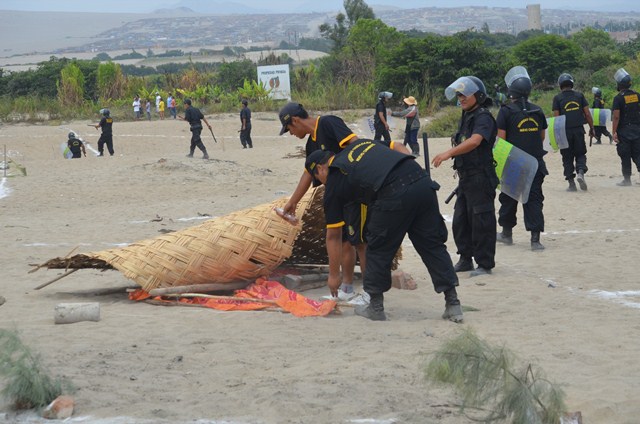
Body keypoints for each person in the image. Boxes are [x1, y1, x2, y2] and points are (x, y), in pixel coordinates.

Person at [305, 141, 463, 322]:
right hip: (422, 181)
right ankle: (453, 303)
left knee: (377, 248)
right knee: (432, 245)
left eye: (319, 179)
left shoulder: (334, 177)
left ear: (320, 169)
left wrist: (334, 276)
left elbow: (333, 236)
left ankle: (375, 307)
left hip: (393, 191)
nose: (323, 183)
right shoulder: (359, 145)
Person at [432, 76, 498, 277]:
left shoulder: (483, 117)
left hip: (481, 176)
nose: (460, 98)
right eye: (458, 95)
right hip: (466, 178)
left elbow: (475, 141)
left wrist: (447, 154)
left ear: (477, 95)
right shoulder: (466, 115)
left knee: (481, 220)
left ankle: (484, 264)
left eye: (464, 94)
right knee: (461, 220)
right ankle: (465, 259)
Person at [495, 66, 548, 251]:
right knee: (533, 199)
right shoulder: (538, 110)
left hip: (513, 163)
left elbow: (500, 141)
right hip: (535, 163)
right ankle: (535, 240)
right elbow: (541, 137)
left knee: (508, 197)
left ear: (511, 91)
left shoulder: (505, 111)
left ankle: (506, 233)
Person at [552, 73, 595, 192]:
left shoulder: (557, 98)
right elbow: (587, 114)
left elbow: (556, 119)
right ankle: (580, 172)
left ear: (560, 85)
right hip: (578, 131)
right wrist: (592, 128)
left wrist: (556, 136)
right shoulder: (579, 96)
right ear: (572, 83)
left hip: (564, 132)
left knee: (567, 157)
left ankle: (571, 184)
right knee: (580, 153)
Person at [611, 68, 640, 186]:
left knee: (625, 155)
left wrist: (614, 132)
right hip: (638, 130)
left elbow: (616, 117)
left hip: (624, 131)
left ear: (619, 84)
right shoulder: (638, 95)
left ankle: (627, 180)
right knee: (638, 154)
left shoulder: (618, 98)